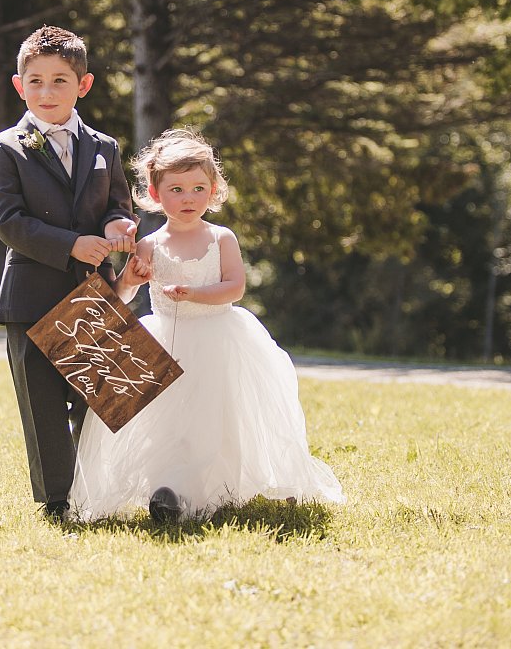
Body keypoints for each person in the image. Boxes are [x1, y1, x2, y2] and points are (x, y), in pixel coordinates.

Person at [68, 129, 345, 522]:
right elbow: (122, 296)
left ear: (213, 190)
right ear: (156, 192)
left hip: (217, 338)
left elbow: (234, 287)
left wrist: (194, 294)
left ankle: (214, 486)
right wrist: (132, 278)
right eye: (177, 190)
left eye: (198, 188)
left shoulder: (220, 238)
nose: (188, 199)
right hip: (165, 339)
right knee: (167, 422)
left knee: (216, 417)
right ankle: (168, 490)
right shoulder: (149, 243)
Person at [0, 25, 137, 520]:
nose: (46, 92)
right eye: (36, 82)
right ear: (18, 85)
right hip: (31, 289)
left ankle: (103, 488)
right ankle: (58, 502)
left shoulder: (104, 147)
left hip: (93, 289)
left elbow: (117, 205)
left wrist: (118, 225)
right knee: (43, 406)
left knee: (106, 397)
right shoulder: (5, 147)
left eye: (59, 81)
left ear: (83, 85)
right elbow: (9, 222)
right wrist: (74, 243)